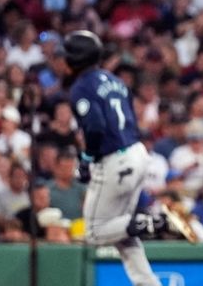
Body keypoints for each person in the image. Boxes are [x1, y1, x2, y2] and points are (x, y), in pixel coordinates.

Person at [62, 30, 195, 286]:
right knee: (123, 232)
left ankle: (159, 220)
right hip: (137, 152)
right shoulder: (115, 80)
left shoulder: (82, 86)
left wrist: (87, 159)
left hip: (114, 160)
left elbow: (95, 127)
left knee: (95, 231)